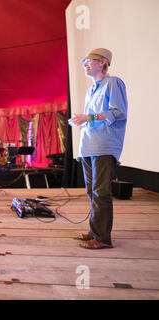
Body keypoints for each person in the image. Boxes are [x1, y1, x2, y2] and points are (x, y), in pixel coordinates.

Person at [69, 48, 128, 250]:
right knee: (92, 192)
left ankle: (103, 238)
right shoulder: (90, 90)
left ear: (103, 62)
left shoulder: (113, 83)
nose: (85, 63)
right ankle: (95, 231)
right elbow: (92, 117)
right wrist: (82, 121)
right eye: (83, 61)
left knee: (101, 192)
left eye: (89, 60)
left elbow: (118, 112)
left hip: (104, 145)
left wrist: (89, 118)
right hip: (88, 146)